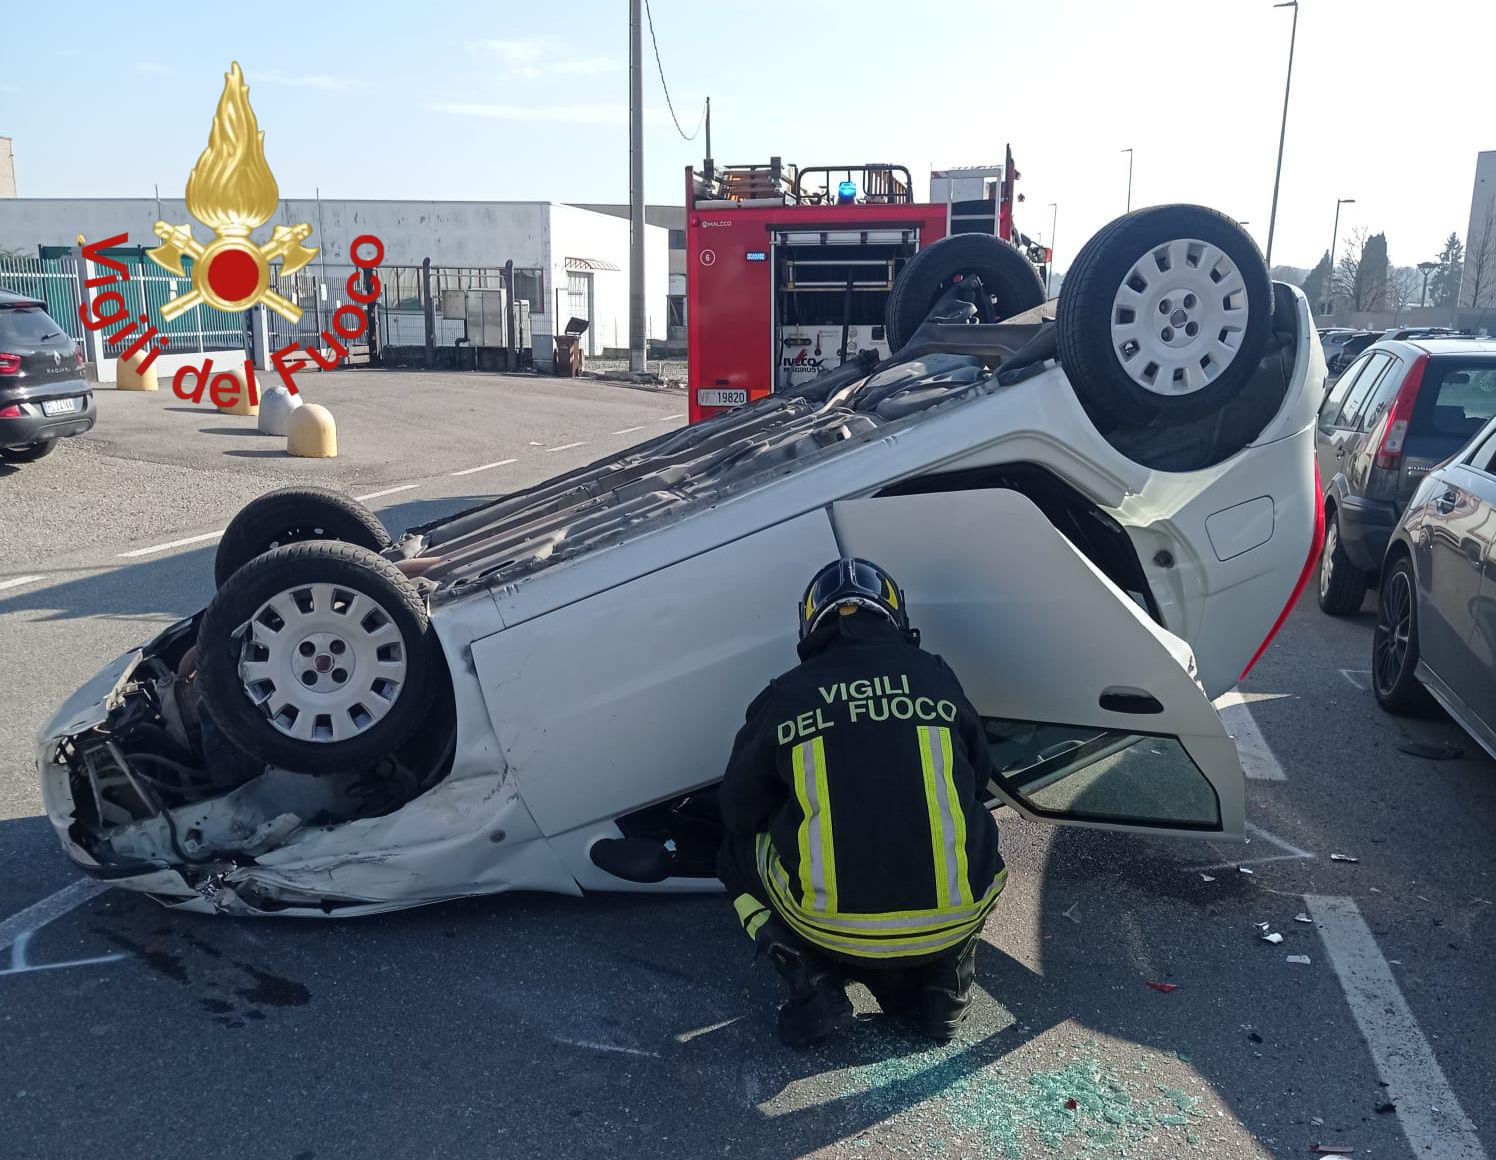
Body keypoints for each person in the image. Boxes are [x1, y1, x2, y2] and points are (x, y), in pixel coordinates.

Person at [717, 557, 1006, 1048]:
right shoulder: (935, 676)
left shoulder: (787, 695)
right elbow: (978, 780)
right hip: (952, 920)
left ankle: (811, 980)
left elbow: (738, 809)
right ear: (896, 617)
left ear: (811, 625)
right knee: (974, 836)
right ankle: (948, 981)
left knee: (733, 854)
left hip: (829, 929)